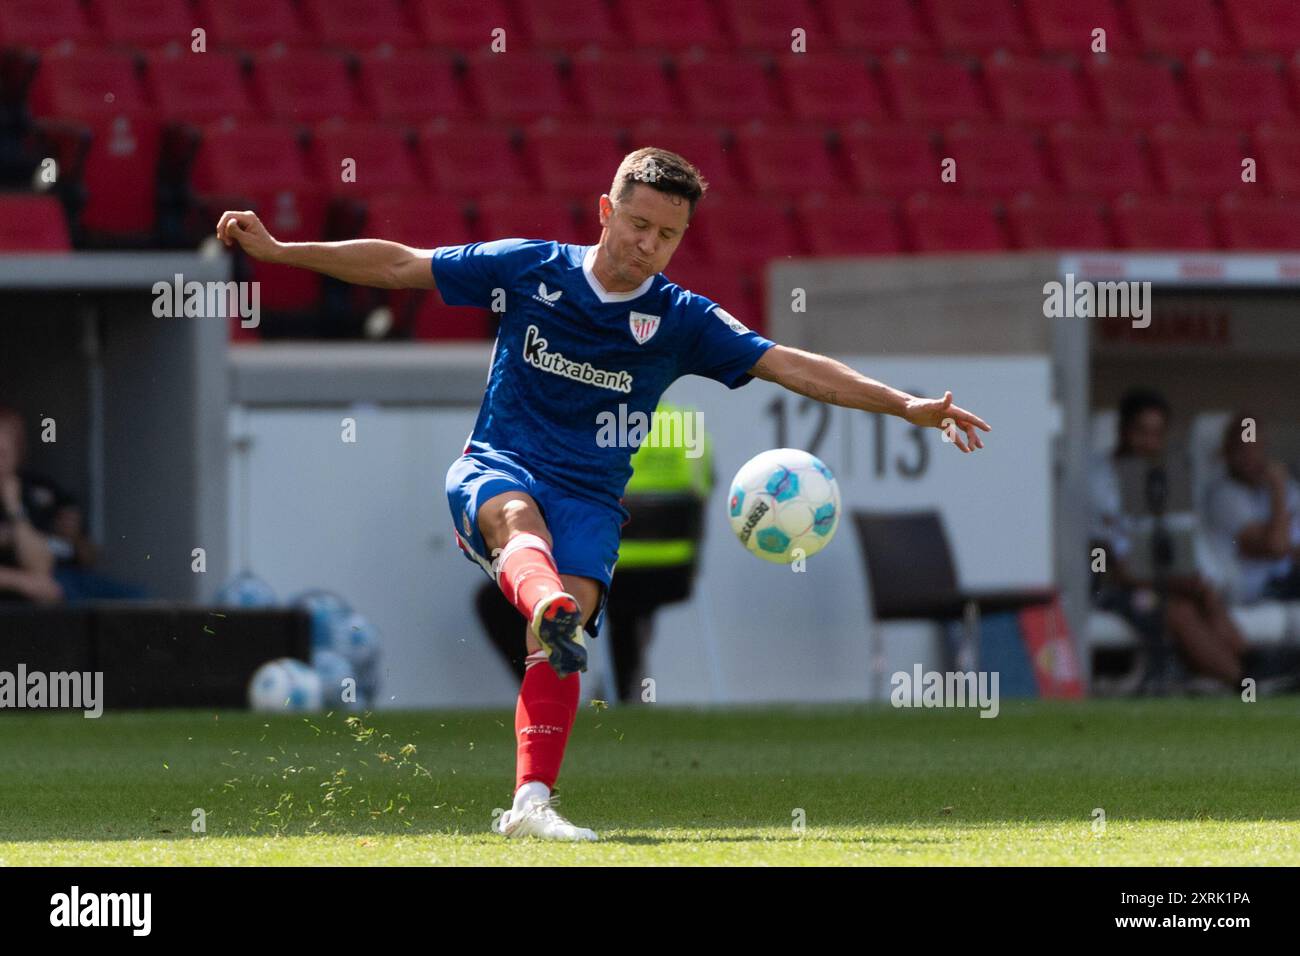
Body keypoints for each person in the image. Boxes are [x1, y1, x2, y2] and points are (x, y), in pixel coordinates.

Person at [216, 147, 992, 841]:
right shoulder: (530, 268)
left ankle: (530, 804)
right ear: (605, 211)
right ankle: (547, 599)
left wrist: (906, 404)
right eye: (638, 224)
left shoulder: (683, 319)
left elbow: (789, 364)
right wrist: (283, 251)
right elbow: (399, 265)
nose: (648, 246)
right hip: (499, 463)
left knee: (558, 642)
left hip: (590, 499)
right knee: (521, 526)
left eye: (666, 236)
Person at [1089, 388, 1246, 692]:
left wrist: (1197, 585)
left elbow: (1179, 543)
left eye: (1157, 434)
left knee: (1210, 606)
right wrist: (1173, 583)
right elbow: (1114, 564)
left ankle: (1244, 675)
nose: (1150, 443)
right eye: (1142, 432)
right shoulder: (1099, 480)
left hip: (1164, 583)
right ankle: (1242, 683)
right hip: (1114, 589)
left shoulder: (1162, 478)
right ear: (1122, 431)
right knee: (1176, 610)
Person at [1204, 414, 1300, 605]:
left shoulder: (1282, 485)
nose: (1250, 457)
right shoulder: (1224, 495)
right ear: (1227, 453)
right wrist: (1278, 491)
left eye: (1255, 448)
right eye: (1243, 450)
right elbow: (1277, 547)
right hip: (1262, 588)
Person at [0, 407, 62, 604]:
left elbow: (41, 569)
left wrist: (14, 507)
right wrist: (19, 581)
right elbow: (33, 581)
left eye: (2, 454)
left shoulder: (24, 493)